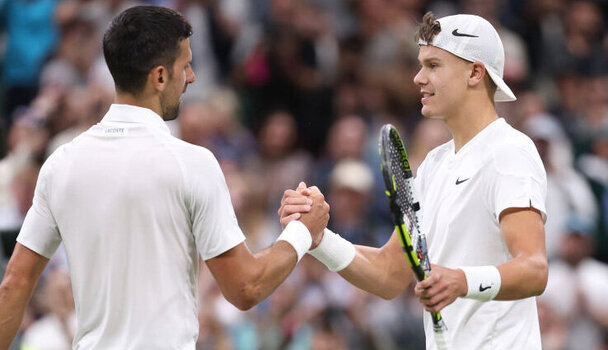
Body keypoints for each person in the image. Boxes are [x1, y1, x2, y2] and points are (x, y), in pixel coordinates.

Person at [0, 6, 329, 349]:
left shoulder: (60, 164)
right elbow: (246, 288)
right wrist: (302, 232)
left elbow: (14, 284)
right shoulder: (192, 163)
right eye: (185, 65)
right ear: (159, 77)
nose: (192, 77)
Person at [279, 12, 548, 350]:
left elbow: (534, 270)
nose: (419, 78)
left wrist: (462, 281)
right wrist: (318, 239)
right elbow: (389, 275)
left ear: (475, 72)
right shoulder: (434, 164)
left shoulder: (510, 152)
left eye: (433, 65)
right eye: (421, 65)